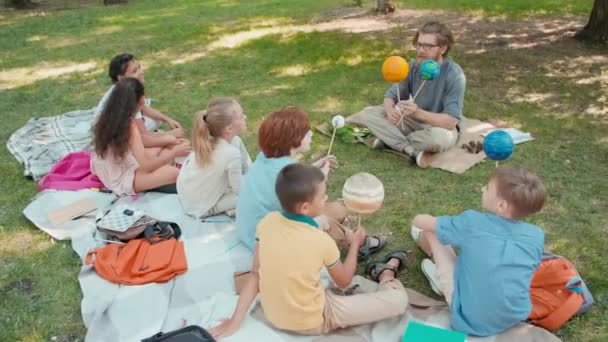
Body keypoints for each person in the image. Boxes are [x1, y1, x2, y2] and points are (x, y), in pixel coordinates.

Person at [209, 163, 409, 338]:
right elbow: (344, 281)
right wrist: (355, 244)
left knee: (324, 222)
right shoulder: (321, 241)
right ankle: (386, 272)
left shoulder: (267, 222)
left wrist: (235, 320)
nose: (327, 198)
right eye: (323, 197)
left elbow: (255, 275)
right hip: (313, 319)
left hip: (274, 313)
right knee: (398, 301)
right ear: (305, 207)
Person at [410, 166, 546, 336]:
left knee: (432, 232)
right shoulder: (536, 235)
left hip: (470, 318)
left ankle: (440, 276)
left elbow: (419, 220)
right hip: (513, 315)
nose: (482, 189)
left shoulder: (472, 223)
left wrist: (425, 221)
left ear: (501, 205)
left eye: (488, 188)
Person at [235, 107, 385, 257]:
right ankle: (355, 242)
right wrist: (321, 178)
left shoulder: (265, 159)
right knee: (326, 220)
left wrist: (313, 169)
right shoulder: (286, 171)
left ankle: (348, 236)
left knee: (339, 209)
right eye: (307, 132)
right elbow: (309, 206)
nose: (311, 134)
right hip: (269, 243)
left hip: (251, 233)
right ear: (293, 140)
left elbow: (290, 181)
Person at [361, 21, 466, 168]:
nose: (421, 50)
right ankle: (410, 150)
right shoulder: (412, 67)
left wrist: (416, 112)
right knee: (368, 114)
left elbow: (450, 122)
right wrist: (391, 111)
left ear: (443, 48)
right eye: (419, 44)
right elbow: (390, 97)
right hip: (412, 123)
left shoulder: (454, 74)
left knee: (435, 140)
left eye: (428, 46)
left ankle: (390, 140)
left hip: (440, 128)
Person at [91, 78, 189, 195]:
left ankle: (160, 168)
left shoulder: (111, 116)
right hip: (120, 178)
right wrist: (174, 153)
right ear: (138, 101)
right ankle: (153, 181)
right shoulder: (127, 125)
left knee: (161, 149)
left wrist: (167, 140)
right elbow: (147, 166)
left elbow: (141, 140)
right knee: (173, 173)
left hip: (120, 163)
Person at [177, 97, 250, 218]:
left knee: (238, 143)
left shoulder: (209, 139)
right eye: (242, 116)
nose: (245, 117)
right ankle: (226, 209)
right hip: (199, 206)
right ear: (229, 129)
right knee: (254, 194)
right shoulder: (231, 154)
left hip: (187, 194)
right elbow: (240, 191)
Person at [95, 53, 187, 149]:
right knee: (161, 145)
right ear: (121, 78)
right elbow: (143, 138)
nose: (141, 72)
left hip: (119, 135)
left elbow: (143, 108)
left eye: (139, 67)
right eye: (135, 71)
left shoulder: (126, 89)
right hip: (113, 142)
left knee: (156, 121)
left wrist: (167, 119)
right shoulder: (126, 96)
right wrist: (171, 135)